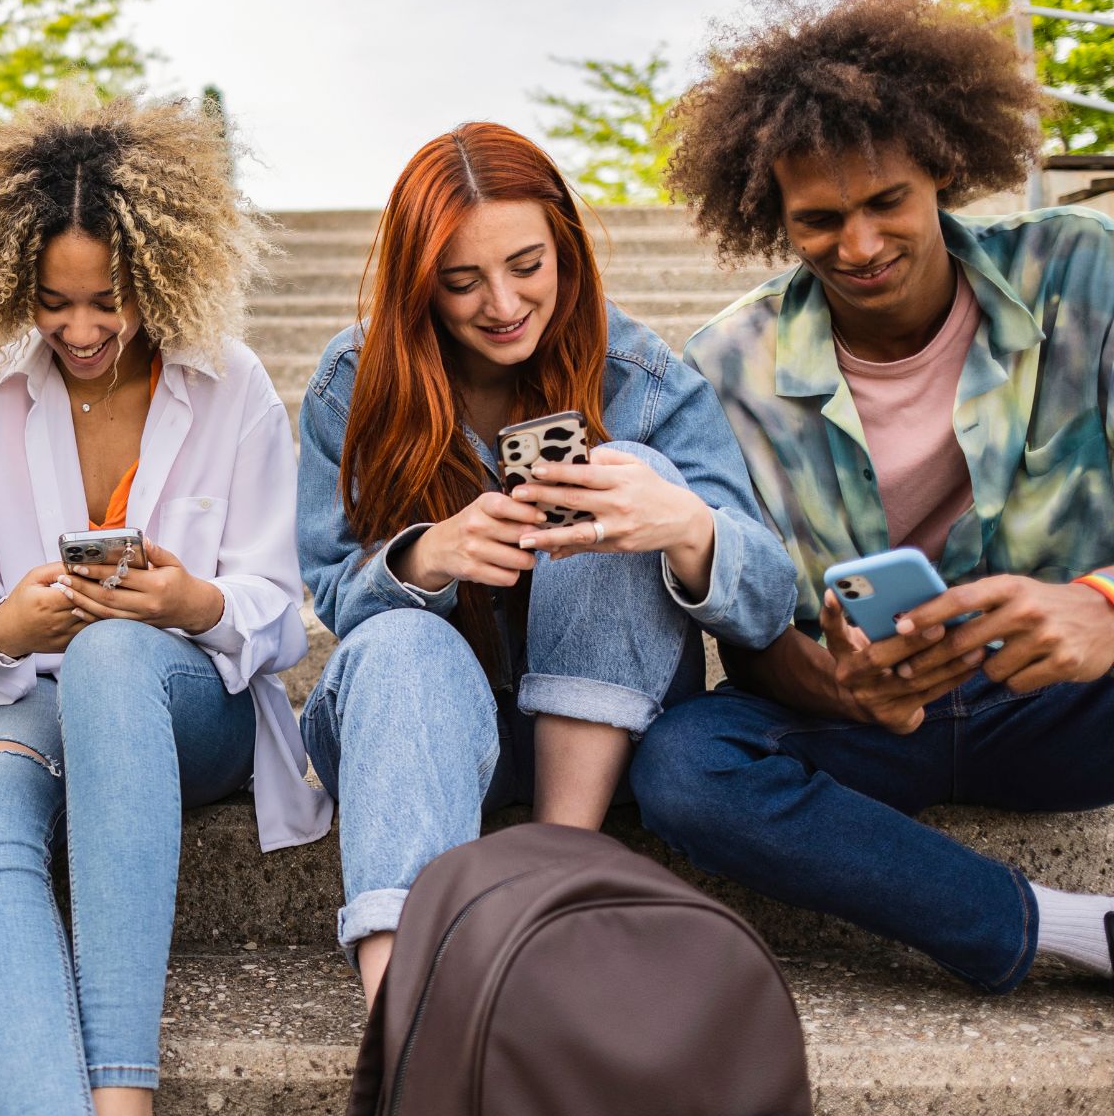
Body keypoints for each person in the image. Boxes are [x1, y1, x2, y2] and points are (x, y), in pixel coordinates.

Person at [631, 0, 1114, 992]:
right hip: (864, 732)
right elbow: (750, 642)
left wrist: (1096, 603)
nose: (856, 246)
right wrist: (832, 682)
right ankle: (1062, 926)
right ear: (772, 216)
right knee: (679, 763)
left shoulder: (1080, 272)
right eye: (817, 220)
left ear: (940, 168)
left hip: (1068, 701)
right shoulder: (725, 367)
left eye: (885, 201)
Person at [0, 88, 327, 1116]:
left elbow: (276, 613)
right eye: (54, 304)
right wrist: (12, 621)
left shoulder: (227, 382)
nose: (84, 329)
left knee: (109, 661)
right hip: (31, 699)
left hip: (184, 704)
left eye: (110, 301)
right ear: (15, 286)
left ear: (158, 272)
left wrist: (184, 599)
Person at [296, 122, 798, 1007]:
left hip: (608, 748)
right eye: (462, 281)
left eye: (526, 266)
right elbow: (335, 595)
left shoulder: (638, 373)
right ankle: (400, 1021)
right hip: (424, 739)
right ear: (420, 286)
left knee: (625, 478)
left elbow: (765, 603)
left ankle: (555, 872)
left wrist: (680, 525)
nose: (501, 303)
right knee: (404, 640)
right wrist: (426, 554)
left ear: (565, 245)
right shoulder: (353, 378)